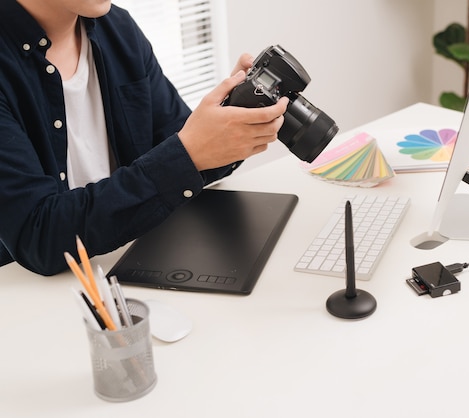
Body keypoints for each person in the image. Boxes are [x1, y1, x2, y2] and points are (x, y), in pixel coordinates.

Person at [0, 0, 289, 275]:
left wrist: (228, 121)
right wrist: (189, 152)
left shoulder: (117, 28)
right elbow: (38, 235)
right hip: (32, 300)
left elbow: (176, 150)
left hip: (128, 264)